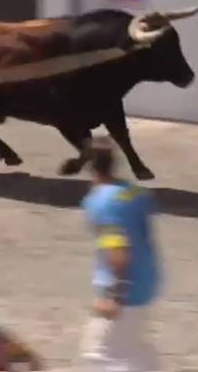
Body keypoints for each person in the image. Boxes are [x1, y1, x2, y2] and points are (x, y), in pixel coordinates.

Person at [78, 137, 160, 372]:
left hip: (126, 289)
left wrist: (115, 295)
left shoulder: (100, 203)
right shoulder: (133, 192)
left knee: (98, 353)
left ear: (90, 166)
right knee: (132, 347)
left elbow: (118, 249)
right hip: (148, 279)